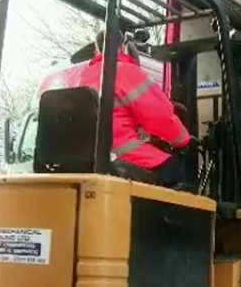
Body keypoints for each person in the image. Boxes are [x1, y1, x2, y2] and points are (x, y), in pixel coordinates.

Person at [79, 28, 191, 185]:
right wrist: (182, 140)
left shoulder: (82, 77)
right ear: (121, 46)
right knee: (173, 167)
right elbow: (159, 117)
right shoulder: (125, 71)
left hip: (87, 156)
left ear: (96, 50)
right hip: (120, 154)